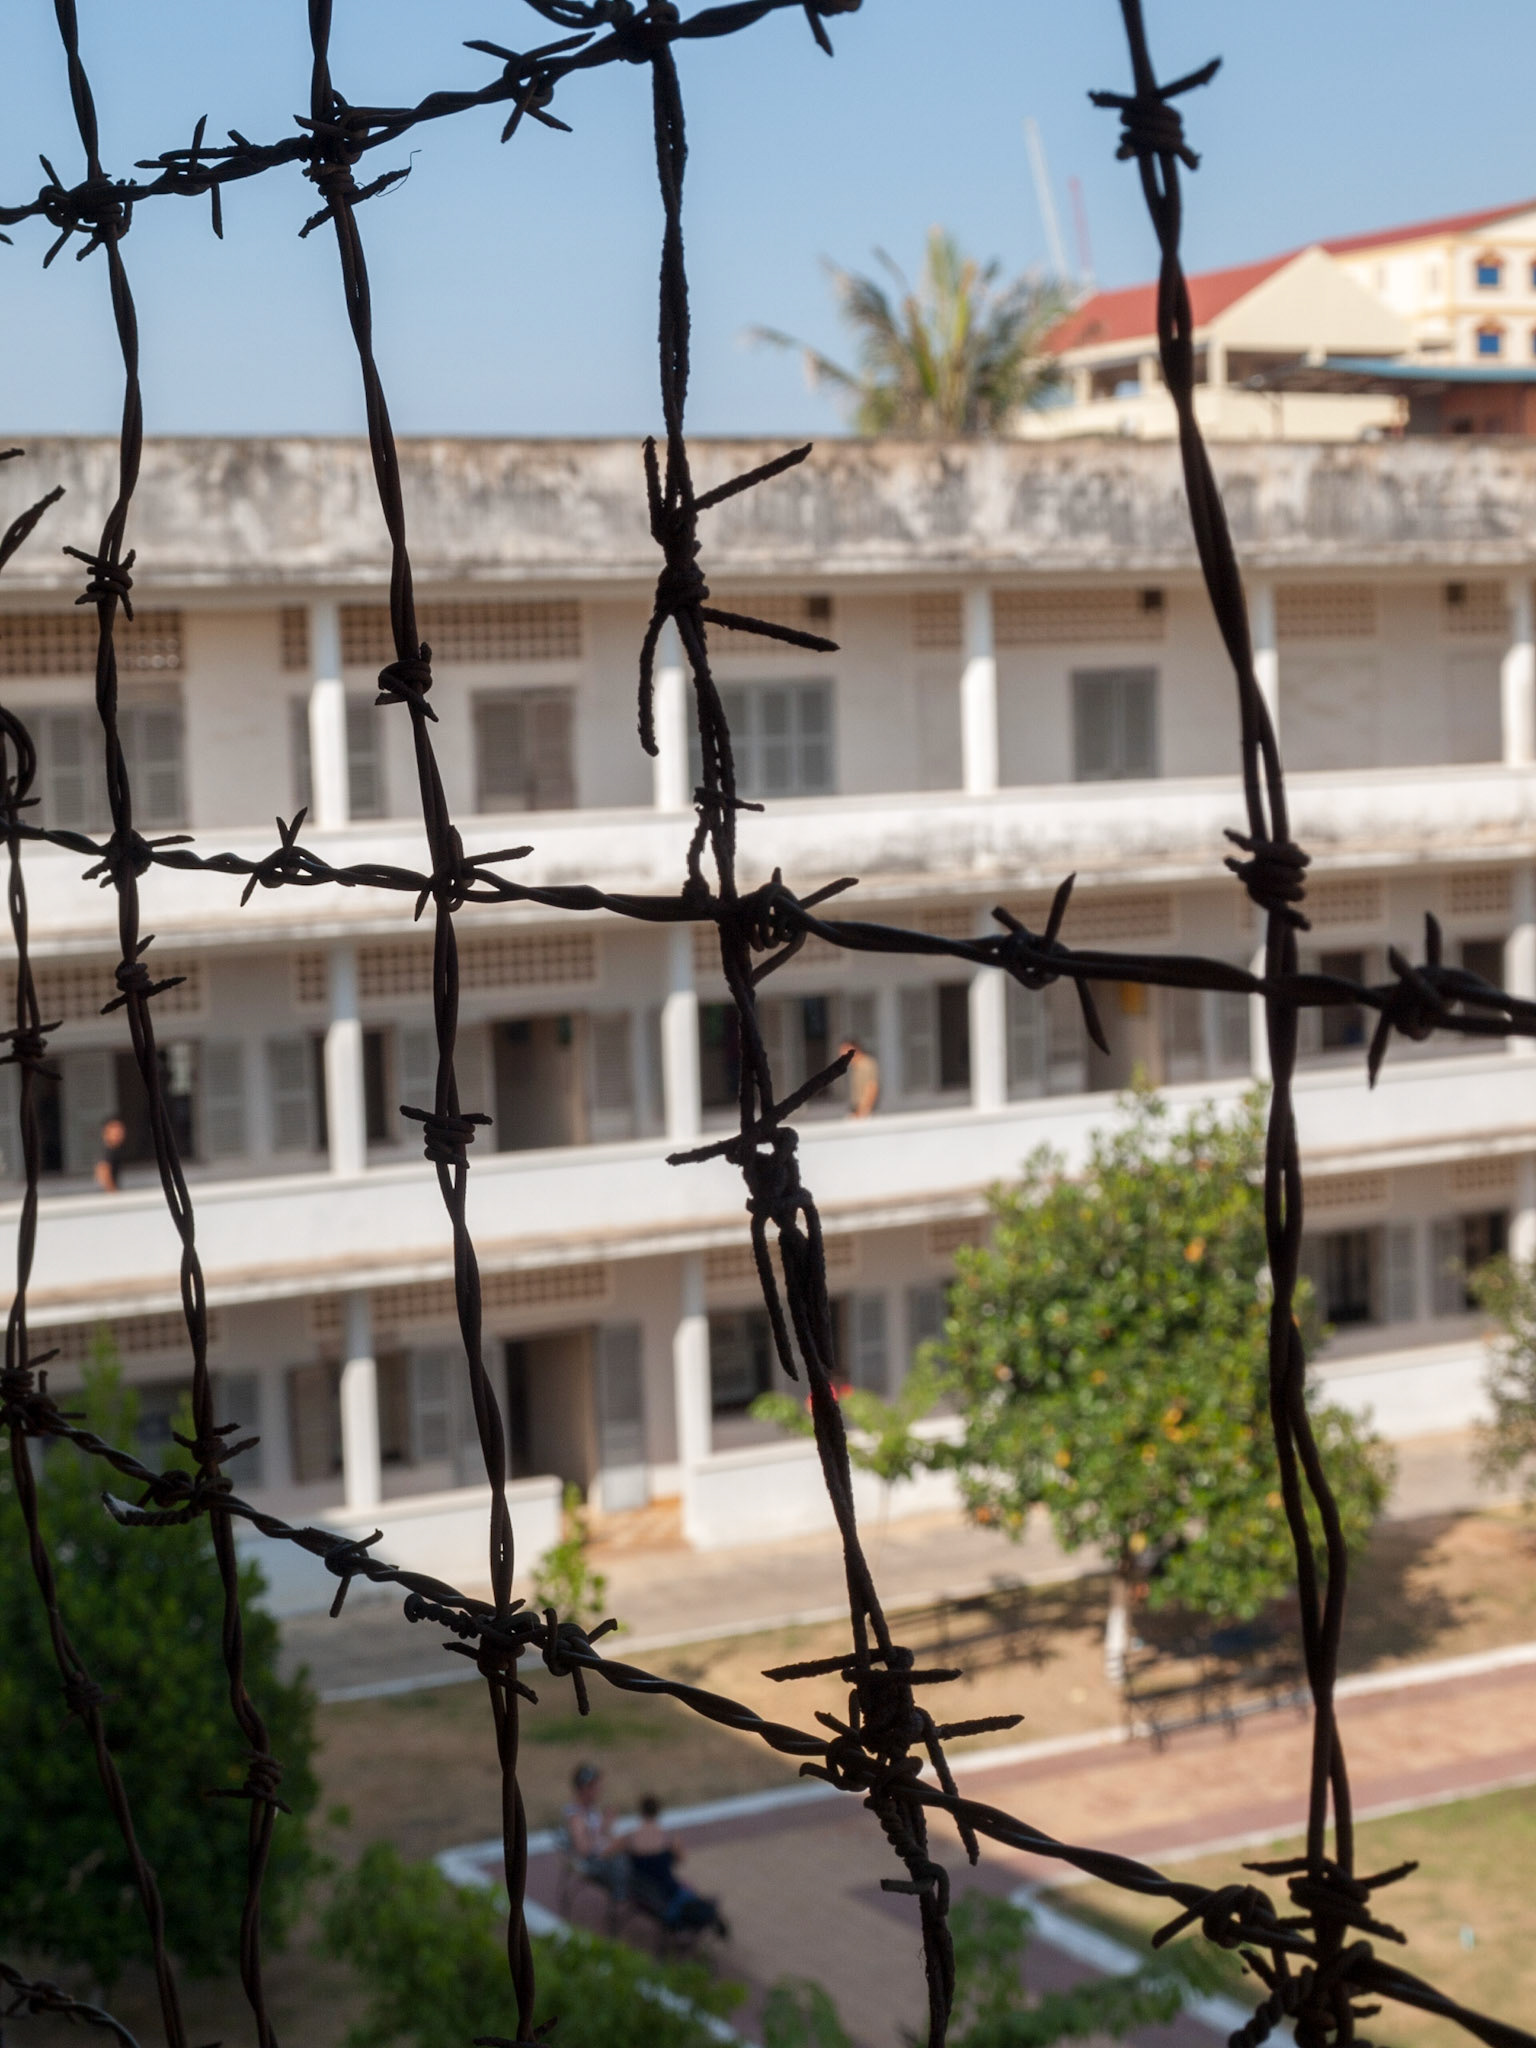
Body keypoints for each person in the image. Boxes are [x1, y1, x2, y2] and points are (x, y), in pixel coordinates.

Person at [624, 1794, 728, 1938]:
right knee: (691, 1895)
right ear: (658, 1812)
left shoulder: (630, 1839)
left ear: (641, 1813)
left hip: (645, 1893)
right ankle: (710, 1916)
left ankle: (707, 1913)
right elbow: (681, 1859)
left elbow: (606, 1853)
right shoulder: (667, 1840)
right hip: (668, 1896)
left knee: (689, 1892)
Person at [561, 1763, 627, 1896]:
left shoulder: (591, 1810)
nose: (600, 1789)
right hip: (596, 1864)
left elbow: (600, 1835)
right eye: (596, 1786)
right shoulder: (576, 1816)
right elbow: (583, 1848)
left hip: (603, 1858)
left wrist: (606, 1825)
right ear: (585, 1789)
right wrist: (611, 1848)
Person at [839, 1037, 879, 1119]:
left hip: (864, 1113)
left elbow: (872, 1087)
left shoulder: (866, 1065)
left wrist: (863, 1111)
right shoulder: (856, 1066)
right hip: (858, 1111)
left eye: (843, 1050)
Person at [95, 1115, 127, 1193]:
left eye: (121, 1131)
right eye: (116, 1131)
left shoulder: (113, 1150)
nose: (119, 1134)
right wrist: (113, 1193)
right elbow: (103, 1172)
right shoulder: (108, 1151)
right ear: (106, 1132)